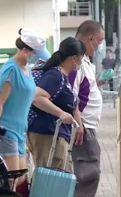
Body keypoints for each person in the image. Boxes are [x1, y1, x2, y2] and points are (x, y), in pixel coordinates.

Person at [0, 28, 46, 192]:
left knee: (18, 178)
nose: (34, 55)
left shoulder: (26, 70)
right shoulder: (11, 69)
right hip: (6, 131)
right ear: (25, 49)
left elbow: (28, 92)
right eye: (33, 52)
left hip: (20, 131)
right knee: (11, 179)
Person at [27, 37, 85, 172]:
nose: (81, 62)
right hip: (48, 136)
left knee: (61, 182)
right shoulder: (56, 76)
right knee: (51, 183)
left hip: (54, 136)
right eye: (81, 58)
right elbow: (37, 97)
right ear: (74, 58)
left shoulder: (62, 76)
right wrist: (61, 113)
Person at [68, 20, 105, 197]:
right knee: (88, 175)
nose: (100, 46)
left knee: (88, 174)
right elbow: (70, 94)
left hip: (87, 127)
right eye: (100, 41)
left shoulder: (85, 62)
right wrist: (79, 123)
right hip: (83, 128)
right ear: (91, 39)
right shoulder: (77, 62)